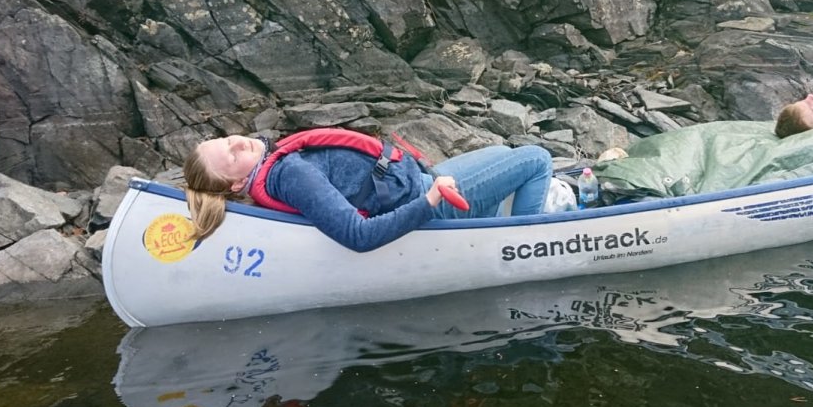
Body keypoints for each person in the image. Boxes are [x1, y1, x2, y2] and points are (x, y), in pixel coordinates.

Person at [183, 132, 553, 252]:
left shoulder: (274, 168)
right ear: (235, 184)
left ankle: (491, 219)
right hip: (429, 200)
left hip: (418, 181)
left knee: (502, 152)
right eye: (232, 157)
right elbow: (358, 236)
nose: (238, 144)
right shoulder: (290, 174)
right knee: (536, 159)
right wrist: (430, 201)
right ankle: (527, 249)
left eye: (227, 140)